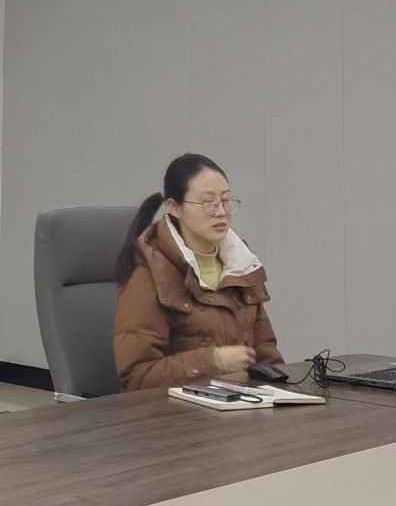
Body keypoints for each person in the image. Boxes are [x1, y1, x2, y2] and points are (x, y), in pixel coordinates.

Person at [113, 153, 282, 391]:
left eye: (226, 200)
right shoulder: (149, 273)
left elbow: (267, 356)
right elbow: (137, 377)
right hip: (177, 410)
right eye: (208, 202)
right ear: (174, 207)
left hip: (241, 402)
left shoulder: (241, 265)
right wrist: (214, 361)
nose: (221, 211)